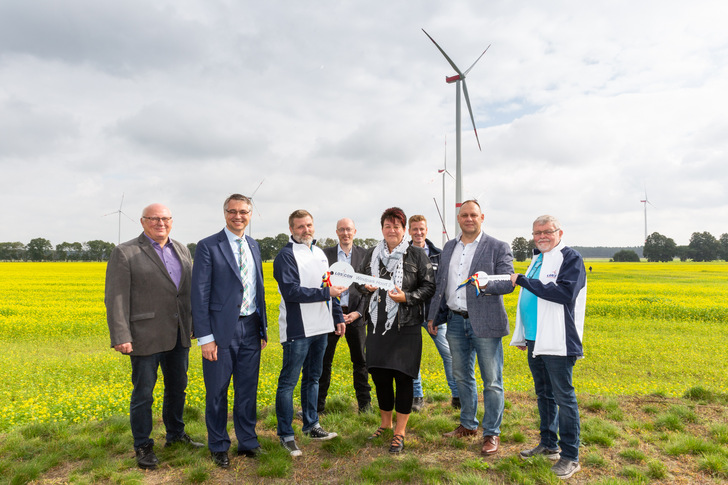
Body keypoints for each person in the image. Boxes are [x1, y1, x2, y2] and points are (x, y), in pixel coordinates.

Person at [105, 203, 203, 470]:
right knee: (143, 394)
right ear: (142, 221)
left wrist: (194, 323)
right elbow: (115, 297)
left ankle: (175, 436)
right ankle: (143, 445)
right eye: (154, 219)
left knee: (177, 389)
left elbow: (187, 292)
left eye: (166, 218)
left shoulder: (181, 249)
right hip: (143, 335)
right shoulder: (125, 252)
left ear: (172, 221)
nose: (161, 223)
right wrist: (120, 334)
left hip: (179, 333)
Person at [427, 200, 514, 456]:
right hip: (455, 321)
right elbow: (441, 284)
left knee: (492, 381)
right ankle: (468, 424)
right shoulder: (449, 247)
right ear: (458, 218)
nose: (468, 219)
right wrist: (433, 316)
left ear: (481, 217)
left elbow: (508, 283)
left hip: (485, 323)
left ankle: (491, 433)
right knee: (462, 376)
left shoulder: (498, 247)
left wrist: (484, 284)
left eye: (473, 215)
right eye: (464, 215)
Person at [191, 194, 268, 468]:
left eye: (243, 211)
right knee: (217, 391)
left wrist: (261, 330)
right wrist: (206, 338)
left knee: (247, 390)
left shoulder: (254, 245)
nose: (238, 216)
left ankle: (247, 442)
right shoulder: (208, 246)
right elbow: (199, 294)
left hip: (250, 326)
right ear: (225, 214)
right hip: (220, 331)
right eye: (233, 211)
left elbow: (257, 288)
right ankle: (219, 445)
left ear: (250, 214)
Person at [509, 215, 587, 480]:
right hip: (535, 339)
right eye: (537, 232)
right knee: (543, 394)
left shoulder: (570, 258)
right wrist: (524, 334)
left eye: (547, 231)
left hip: (557, 340)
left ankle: (570, 456)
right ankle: (548, 445)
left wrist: (522, 280)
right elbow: (530, 300)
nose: (541, 236)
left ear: (559, 232)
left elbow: (564, 293)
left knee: (564, 397)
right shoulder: (537, 258)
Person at [356, 207, 435, 454]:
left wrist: (407, 297)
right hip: (377, 326)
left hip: (406, 326)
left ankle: (400, 432)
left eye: (397, 226)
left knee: (403, 377)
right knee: (379, 376)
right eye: (387, 226)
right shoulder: (371, 254)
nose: (392, 230)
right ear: (382, 229)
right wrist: (365, 288)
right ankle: (384, 424)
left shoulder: (416, 255)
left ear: (404, 230)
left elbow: (429, 287)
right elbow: (359, 283)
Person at [273, 209, 346, 456]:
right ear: (291, 230)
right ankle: (285, 434)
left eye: (309, 225)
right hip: (297, 329)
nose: (306, 230)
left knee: (313, 378)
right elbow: (292, 292)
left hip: (323, 327)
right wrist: (328, 294)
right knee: (288, 383)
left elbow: (329, 286)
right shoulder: (285, 256)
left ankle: (311, 425)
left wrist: (337, 316)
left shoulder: (320, 254)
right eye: (300, 226)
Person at [318, 218, 372, 414]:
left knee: (361, 362)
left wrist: (358, 313)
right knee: (324, 361)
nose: (345, 233)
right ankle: (318, 407)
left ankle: (365, 407)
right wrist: (335, 312)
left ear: (355, 231)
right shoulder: (325, 255)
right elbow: (321, 284)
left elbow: (369, 290)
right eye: (341, 230)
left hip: (356, 316)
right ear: (336, 232)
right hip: (331, 315)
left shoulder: (365, 255)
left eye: (348, 229)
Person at [408, 215, 459, 411]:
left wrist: (436, 315)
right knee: (413, 356)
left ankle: (456, 395)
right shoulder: (404, 255)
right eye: (414, 229)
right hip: (411, 315)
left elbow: (443, 287)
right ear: (409, 231)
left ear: (426, 230)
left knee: (448, 355)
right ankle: (417, 397)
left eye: (421, 229)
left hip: (434, 316)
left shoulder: (439, 254)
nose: (418, 233)